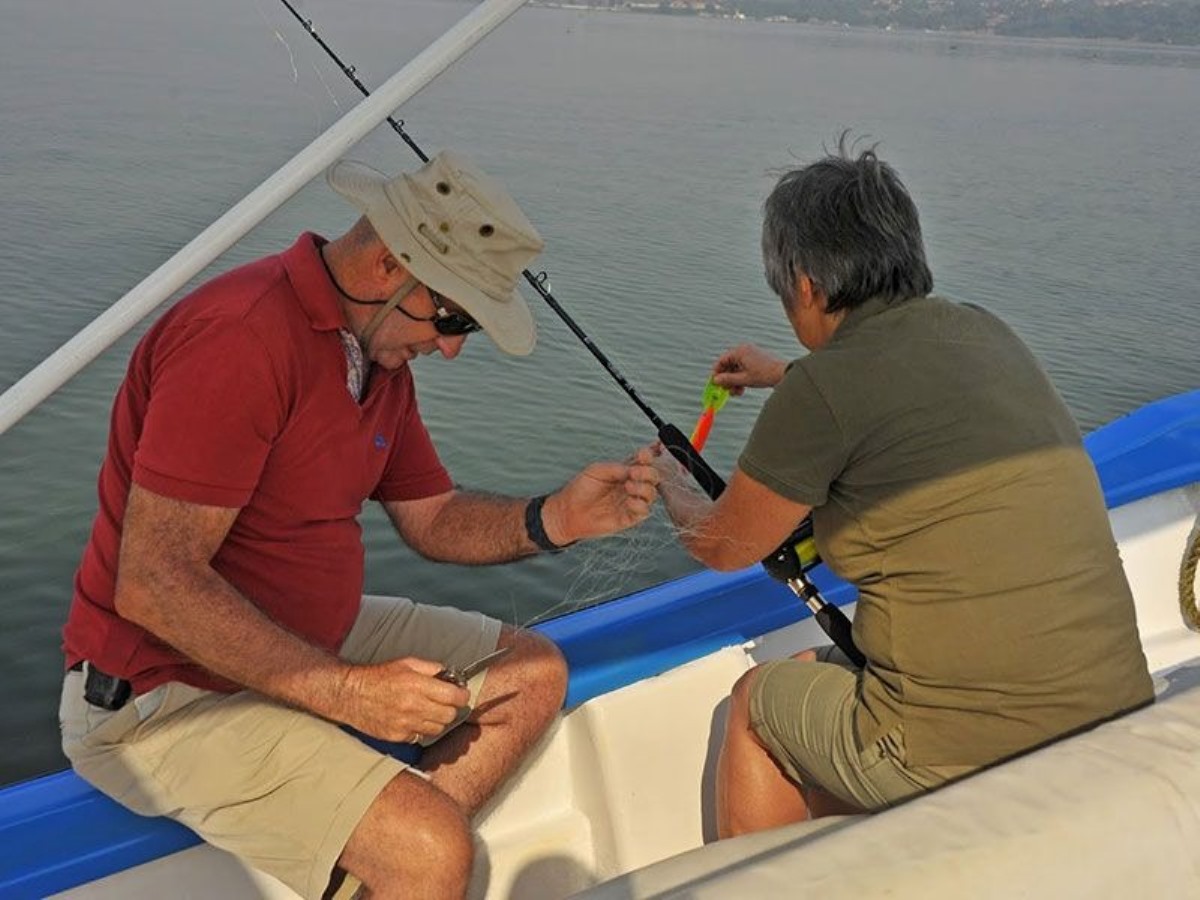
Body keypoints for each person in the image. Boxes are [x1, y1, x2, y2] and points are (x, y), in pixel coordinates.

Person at [59, 149, 659, 900]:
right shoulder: (239, 339)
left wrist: (558, 519)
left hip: (304, 637)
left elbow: (433, 517)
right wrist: (347, 694)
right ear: (386, 264)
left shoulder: (377, 363)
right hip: (164, 692)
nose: (451, 346)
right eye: (453, 315)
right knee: (434, 854)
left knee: (530, 674)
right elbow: (153, 584)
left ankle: (371, 865)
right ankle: (394, 858)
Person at [647, 136, 1153, 839]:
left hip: (957, 745)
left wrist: (671, 481)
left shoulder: (826, 390)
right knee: (805, 666)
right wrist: (783, 375)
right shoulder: (984, 332)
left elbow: (725, 544)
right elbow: (898, 400)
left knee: (755, 701)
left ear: (804, 286)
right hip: (1112, 705)